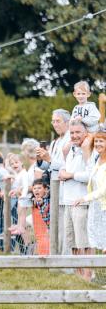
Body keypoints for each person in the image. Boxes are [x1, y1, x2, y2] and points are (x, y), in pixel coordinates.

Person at [59, 119, 94, 281]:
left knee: (84, 242)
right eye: (72, 133)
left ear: (86, 133)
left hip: (82, 202)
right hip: (68, 201)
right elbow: (63, 169)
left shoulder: (91, 151)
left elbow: (91, 176)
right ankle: (78, 276)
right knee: (72, 242)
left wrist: (71, 175)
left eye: (78, 132)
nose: (74, 136)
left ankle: (88, 277)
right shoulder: (71, 150)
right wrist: (63, 172)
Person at [36, 109, 71, 254]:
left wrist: (49, 158)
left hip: (65, 188)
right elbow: (48, 166)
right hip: (55, 188)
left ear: (67, 122)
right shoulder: (55, 141)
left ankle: (65, 262)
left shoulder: (70, 139)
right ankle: (56, 258)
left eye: (58, 121)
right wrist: (40, 159)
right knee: (55, 226)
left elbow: (65, 165)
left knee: (65, 228)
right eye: (53, 121)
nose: (55, 124)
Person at [74, 129, 106, 253]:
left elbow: (104, 189)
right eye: (96, 141)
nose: (98, 144)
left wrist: (84, 198)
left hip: (103, 204)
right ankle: (99, 271)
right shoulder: (97, 160)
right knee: (98, 241)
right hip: (96, 205)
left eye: (102, 141)